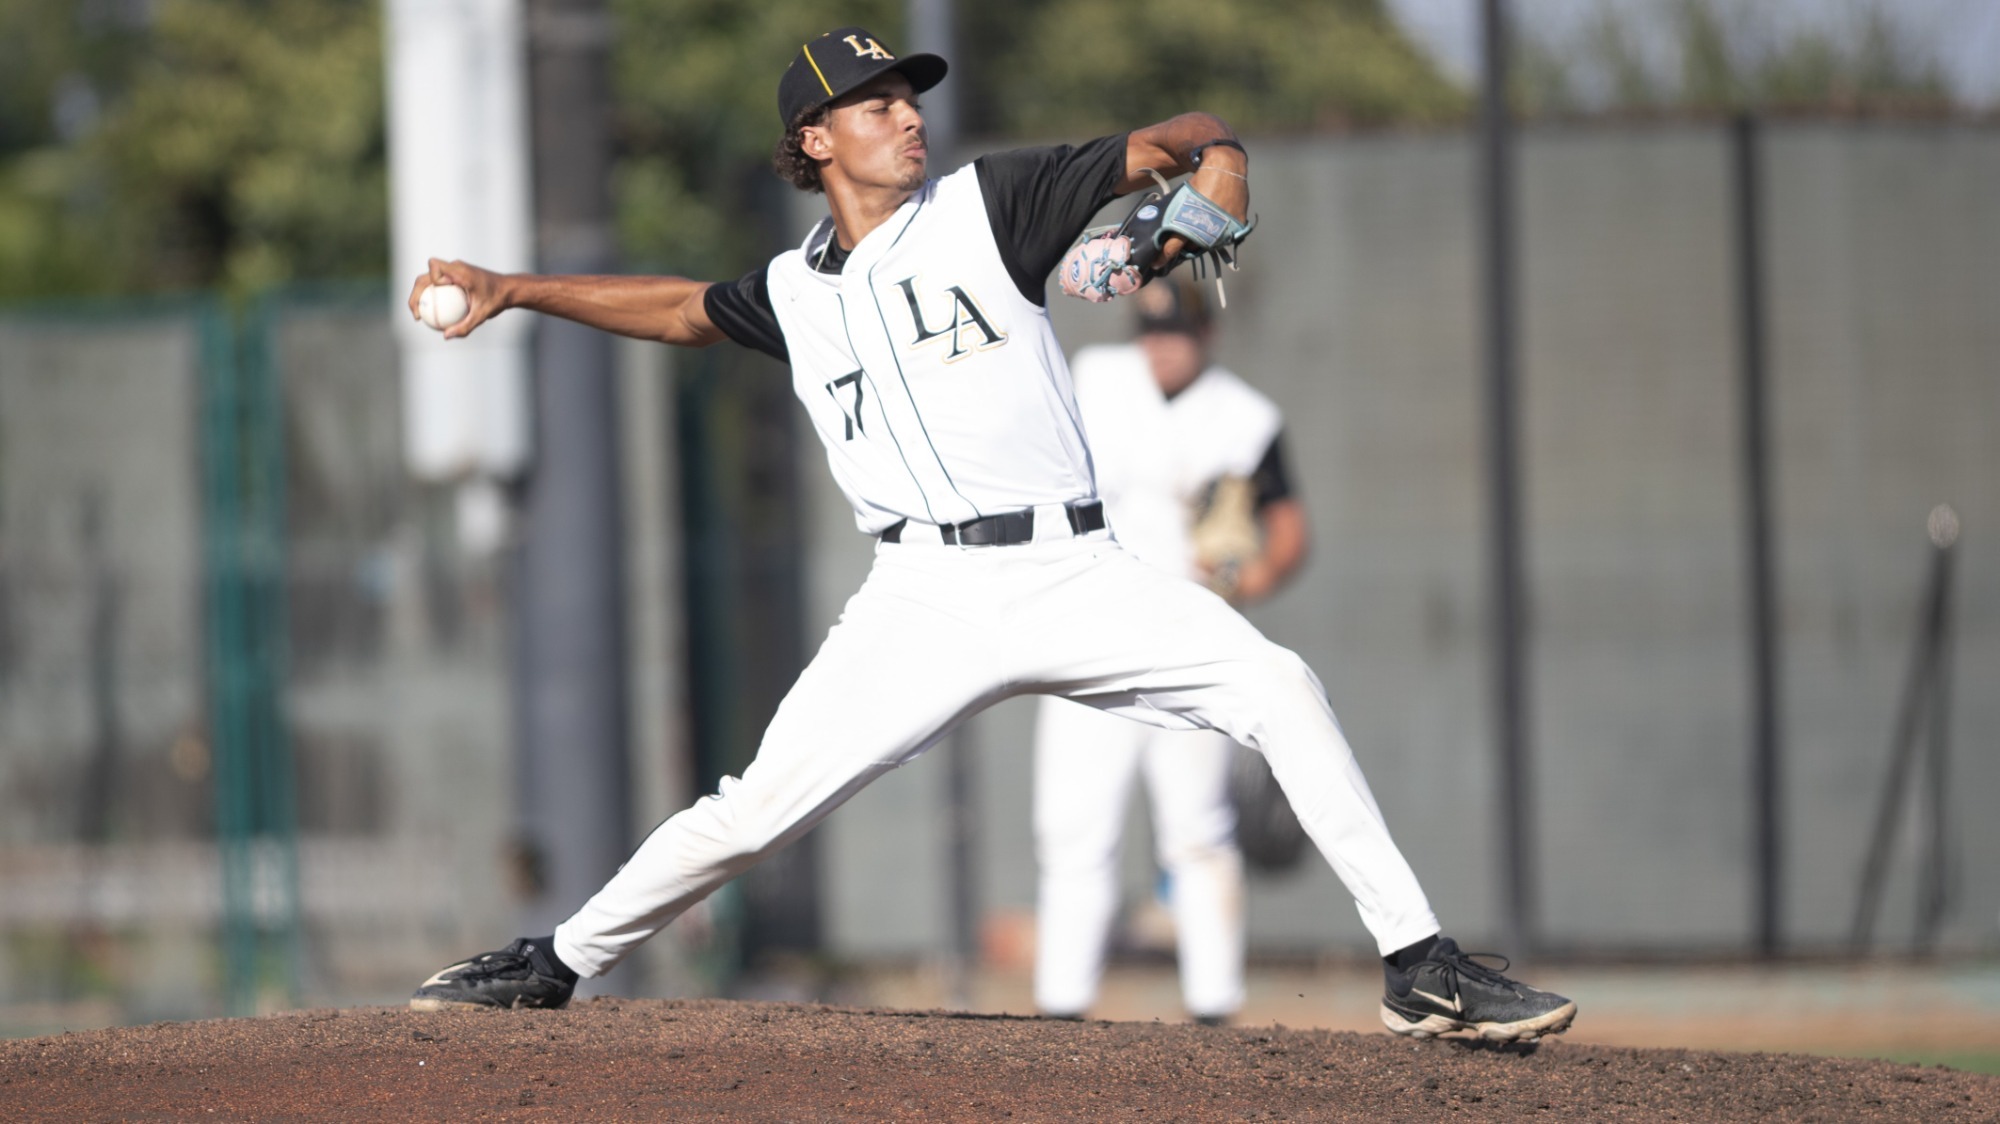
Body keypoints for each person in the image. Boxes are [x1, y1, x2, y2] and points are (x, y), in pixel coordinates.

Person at [406, 25, 1576, 1043]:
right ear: (815, 139)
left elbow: (1179, 133)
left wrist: (1218, 156)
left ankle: (1419, 965)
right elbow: (676, 308)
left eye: (909, 99)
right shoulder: (794, 292)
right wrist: (515, 286)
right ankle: (555, 960)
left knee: (1277, 684)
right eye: (876, 105)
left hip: (1072, 569)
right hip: (917, 599)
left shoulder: (989, 203)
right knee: (751, 808)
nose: (906, 118)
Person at [1032, 277, 1306, 1025]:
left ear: (1205, 338)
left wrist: (1250, 575)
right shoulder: (1096, 380)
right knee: (1072, 825)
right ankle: (1062, 1007)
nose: (1161, 346)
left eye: (1176, 334)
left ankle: (1213, 1006)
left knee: (1197, 827)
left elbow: (1288, 530)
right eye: (1150, 332)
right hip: (1089, 639)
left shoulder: (1244, 420)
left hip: (1188, 644)